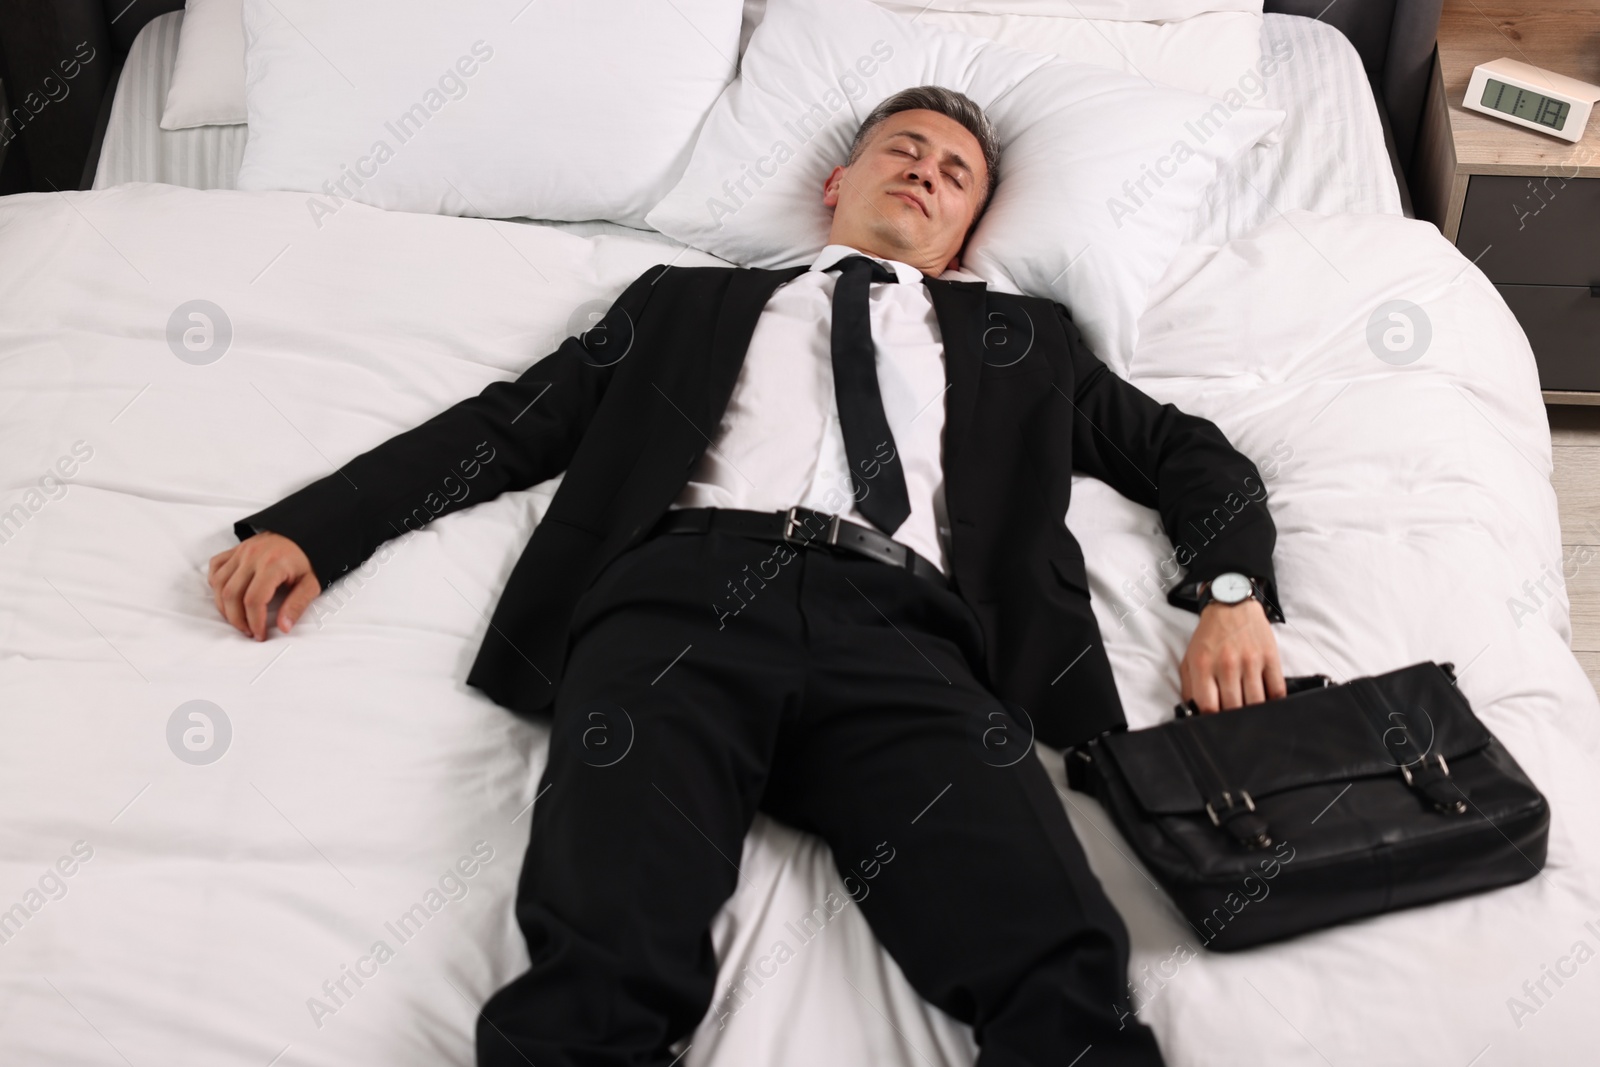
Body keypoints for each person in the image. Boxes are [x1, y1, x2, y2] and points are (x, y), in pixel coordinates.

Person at [208, 85, 1286, 1067]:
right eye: (901, 151)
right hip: (679, 604)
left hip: (910, 631)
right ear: (838, 183)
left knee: (1057, 960)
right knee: (605, 957)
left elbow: (1190, 456)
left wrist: (1230, 593)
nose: (923, 173)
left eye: (954, 175)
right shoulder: (683, 302)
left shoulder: (1024, 339)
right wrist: (318, 529)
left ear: (968, 231)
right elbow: (508, 428)